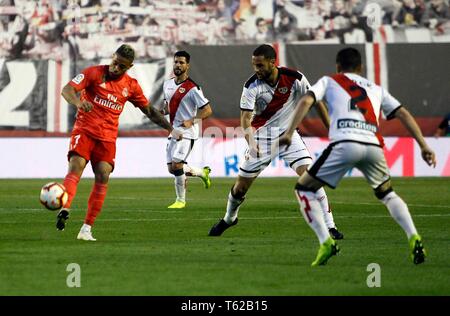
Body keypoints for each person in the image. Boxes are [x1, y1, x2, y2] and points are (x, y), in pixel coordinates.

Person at [279, 47, 436, 266]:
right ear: (361, 68)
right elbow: (403, 113)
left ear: (337, 66)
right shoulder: (376, 88)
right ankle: (414, 236)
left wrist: (288, 133)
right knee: (387, 193)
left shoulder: (330, 81)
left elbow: (306, 101)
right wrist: (424, 145)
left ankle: (326, 242)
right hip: (373, 145)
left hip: (345, 143)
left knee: (304, 188)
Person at [208, 44, 344, 239]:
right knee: (240, 188)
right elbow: (245, 119)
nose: (257, 70)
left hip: (289, 135)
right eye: (254, 65)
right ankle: (229, 219)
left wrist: (331, 129)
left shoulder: (295, 78)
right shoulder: (251, 86)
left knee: (310, 176)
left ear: (273, 63)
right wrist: (251, 144)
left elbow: (316, 102)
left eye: (260, 65)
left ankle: (330, 226)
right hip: (261, 138)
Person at [57, 44, 177, 241]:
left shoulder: (131, 86)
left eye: (121, 66)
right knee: (76, 166)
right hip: (84, 131)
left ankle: (86, 229)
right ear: (112, 56)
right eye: (115, 63)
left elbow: (148, 110)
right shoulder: (93, 73)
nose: (116, 68)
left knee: (103, 176)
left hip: (107, 139)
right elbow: (67, 90)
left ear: (129, 67)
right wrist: (79, 102)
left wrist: (169, 128)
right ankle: (65, 207)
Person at [157, 50, 213, 209]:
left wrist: (193, 120)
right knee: (172, 169)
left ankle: (180, 201)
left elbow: (208, 110)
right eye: (176, 62)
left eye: (181, 62)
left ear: (187, 66)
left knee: (176, 165)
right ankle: (202, 173)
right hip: (173, 131)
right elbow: (168, 107)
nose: (178, 65)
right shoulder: (167, 84)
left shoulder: (193, 88)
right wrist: (161, 112)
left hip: (187, 133)